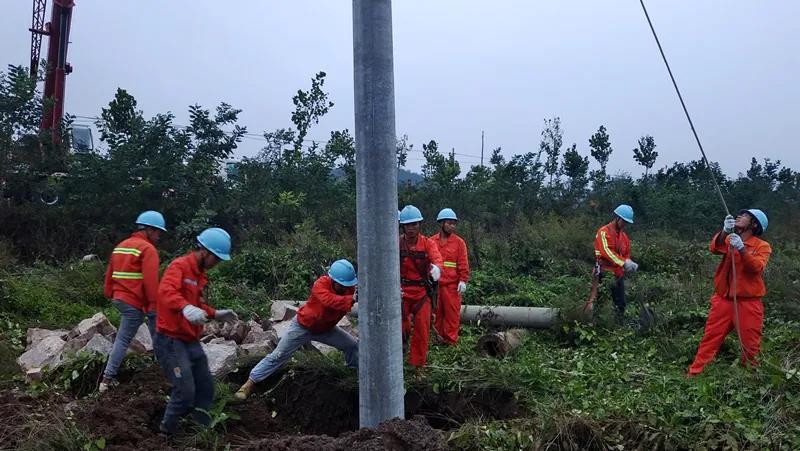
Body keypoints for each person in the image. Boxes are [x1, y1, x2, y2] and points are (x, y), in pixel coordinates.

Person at [233, 259, 359, 400]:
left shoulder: (350, 289)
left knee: (352, 346)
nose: (345, 288)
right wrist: (351, 300)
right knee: (278, 355)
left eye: (347, 285)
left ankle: (353, 376)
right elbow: (329, 300)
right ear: (333, 280)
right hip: (302, 327)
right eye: (342, 285)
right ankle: (248, 385)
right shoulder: (321, 284)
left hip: (326, 329)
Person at [154, 227, 239, 435]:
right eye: (216, 258)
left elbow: (197, 307)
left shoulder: (200, 276)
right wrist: (184, 307)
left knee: (206, 386)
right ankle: (166, 432)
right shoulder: (180, 266)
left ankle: (201, 431)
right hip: (170, 340)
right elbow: (166, 292)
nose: (216, 263)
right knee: (185, 389)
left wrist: (215, 313)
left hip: (190, 339)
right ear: (204, 251)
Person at [688, 209, 771, 376]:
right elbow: (715, 248)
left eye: (745, 216)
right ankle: (695, 374)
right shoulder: (730, 239)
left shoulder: (762, 246)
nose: (739, 216)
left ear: (754, 224)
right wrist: (725, 231)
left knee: (750, 345)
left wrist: (742, 249)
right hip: (723, 301)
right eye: (740, 214)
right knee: (710, 339)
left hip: (748, 304)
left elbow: (756, 268)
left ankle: (750, 378)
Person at [99, 210, 165, 393]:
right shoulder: (148, 249)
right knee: (125, 338)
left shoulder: (121, 246)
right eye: (158, 232)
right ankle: (106, 380)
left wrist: (109, 293)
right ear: (149, 230)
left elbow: (110, 273)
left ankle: (161, 367)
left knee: (150, 331)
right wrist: (153, 305)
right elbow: (151, 282)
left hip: (120, 298)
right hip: (134, 302)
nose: (159, 236)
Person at [398, 205, 443, 377]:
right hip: (401, 293)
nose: (411, 228)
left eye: (414, 224)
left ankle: (419, 366)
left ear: (419, 225)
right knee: (400, 328)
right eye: (408, 225)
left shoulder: (428, 243)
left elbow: (437, 257)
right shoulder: (396, 243)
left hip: (421, 294)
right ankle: (397, 359)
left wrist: (437, 268)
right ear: (403, 226)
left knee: (422, 330)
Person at [592, 204, 639, 323]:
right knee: (600, 301)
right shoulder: (603, 232)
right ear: (617, 218)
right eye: (624, 221)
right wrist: (624, 263)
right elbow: (607, 252)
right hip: (604, 272)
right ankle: (595, 323)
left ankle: (618, 325)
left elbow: (626, 254)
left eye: (626, 223)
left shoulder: (624, 237)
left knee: (620, 303)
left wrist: (629, 262)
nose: (624, 225)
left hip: (618, 273)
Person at [431, 208, 470, 345]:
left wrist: (463, 280)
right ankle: (438, 339)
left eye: (454, 223)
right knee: (437, 314)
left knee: (452, 315)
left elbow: (463, 263)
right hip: (435, 287)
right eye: (449, 223)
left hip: (452, 287)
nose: (452, 226)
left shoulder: (459, 243)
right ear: (441, 223)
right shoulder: (431, 241)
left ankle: (450, 341)